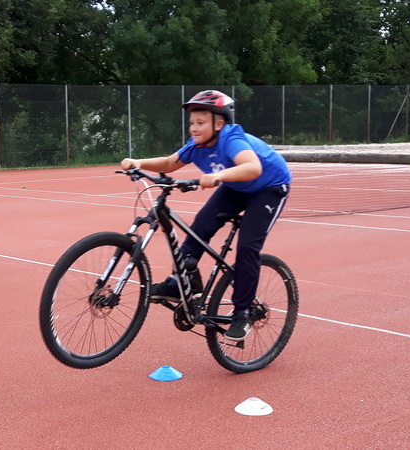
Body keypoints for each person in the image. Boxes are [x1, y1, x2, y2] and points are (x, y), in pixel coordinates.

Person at [120, 90, 291, 341]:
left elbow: (252, 167)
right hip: (236, 187)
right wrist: (138, 162)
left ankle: (243, 312)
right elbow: (169, 164)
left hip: (269, 187)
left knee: (247, 247)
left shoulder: (231, 139)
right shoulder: (196, 146)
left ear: (218, 124)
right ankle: (181, 282)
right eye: (192, 122)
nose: (194, 127)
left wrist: (219, 176)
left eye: (200, 123)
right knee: (200, 227)